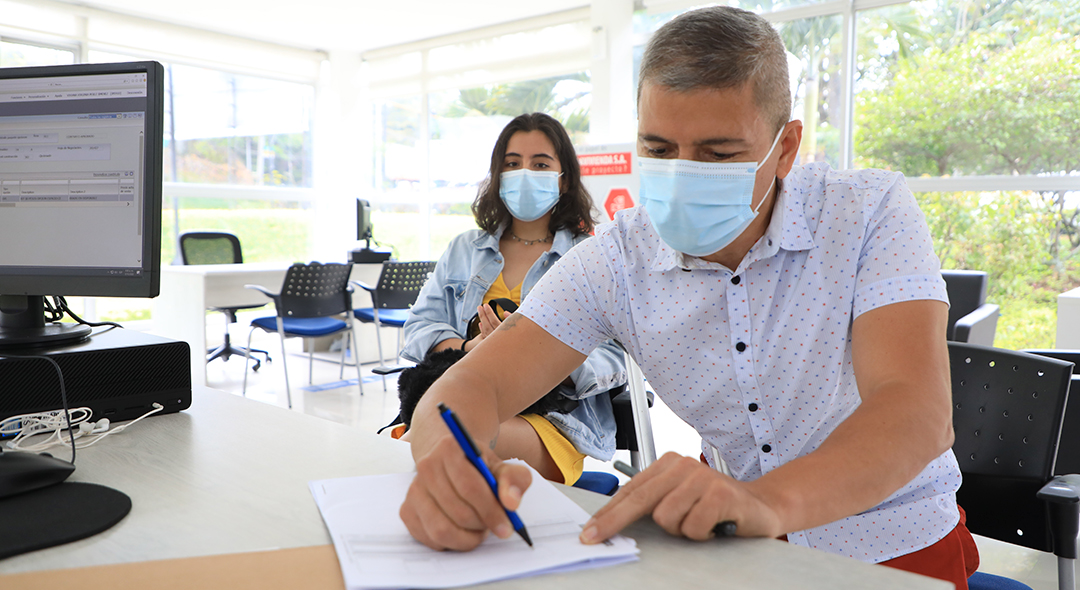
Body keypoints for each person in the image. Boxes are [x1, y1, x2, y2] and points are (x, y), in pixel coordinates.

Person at [400, 6, 978, 589]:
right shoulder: (620, 259)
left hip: (892, 540)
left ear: (785, 148)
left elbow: (915, 410)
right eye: (657, 149)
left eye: (718, 154)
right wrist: (447, 465)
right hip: (726, 544)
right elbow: (471, 386)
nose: (681, 174)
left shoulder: (867, 213)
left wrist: (766, 503)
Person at [400, 112, 626, 486]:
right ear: (498, 176)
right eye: (512, 163)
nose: (525, 172)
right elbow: (419, 326)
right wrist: (471, 347)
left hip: (553, 418)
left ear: (564, 178)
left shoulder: (591, 256)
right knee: (434, 439)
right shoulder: (463, 249)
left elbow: (616, 354)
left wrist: (532, 355)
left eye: (540, 164)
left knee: (444, 443)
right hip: (459, 396)